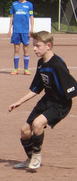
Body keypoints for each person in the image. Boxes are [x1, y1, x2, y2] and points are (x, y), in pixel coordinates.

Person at [8, 31, 77, 169]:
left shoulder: (57, 64)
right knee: (25, 131)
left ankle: (37, 156)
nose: (34, 49)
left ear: (48, 46)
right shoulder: (41, 63)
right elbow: (36, 88)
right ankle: (30, 158)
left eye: (37, 46)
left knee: (37, 124)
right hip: (47, 100)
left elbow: (73, 86)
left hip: (60, 103)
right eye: (34, 45)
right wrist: (19, 102)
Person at [8, 0, 34, 75]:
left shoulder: (29, 5)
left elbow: (31, 17)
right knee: (16, 49)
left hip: (25, 31)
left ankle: (26, 69)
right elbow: (12, 17)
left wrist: (31, 29)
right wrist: (9, 29)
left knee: (26, 49)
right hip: (16, 30)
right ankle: (16, 69)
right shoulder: (14, 4)